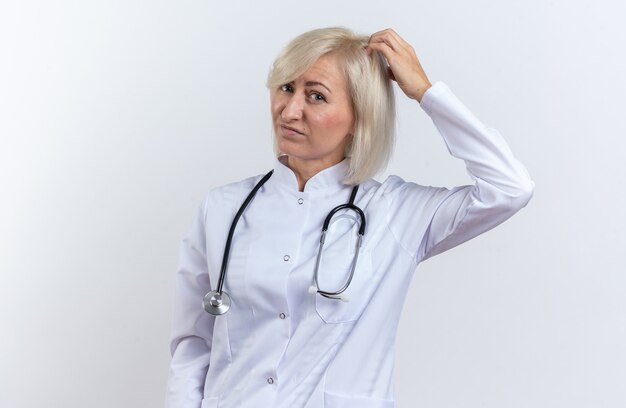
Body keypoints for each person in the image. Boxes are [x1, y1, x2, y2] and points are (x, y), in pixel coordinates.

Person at [165, 27, 534, 408]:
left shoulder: (395, 212)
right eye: (286, 88)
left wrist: (425, 93)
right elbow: (193, 344)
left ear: (359, 116)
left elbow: (510, 188)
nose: (290, 110)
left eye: (316, 96)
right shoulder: (223, 208)